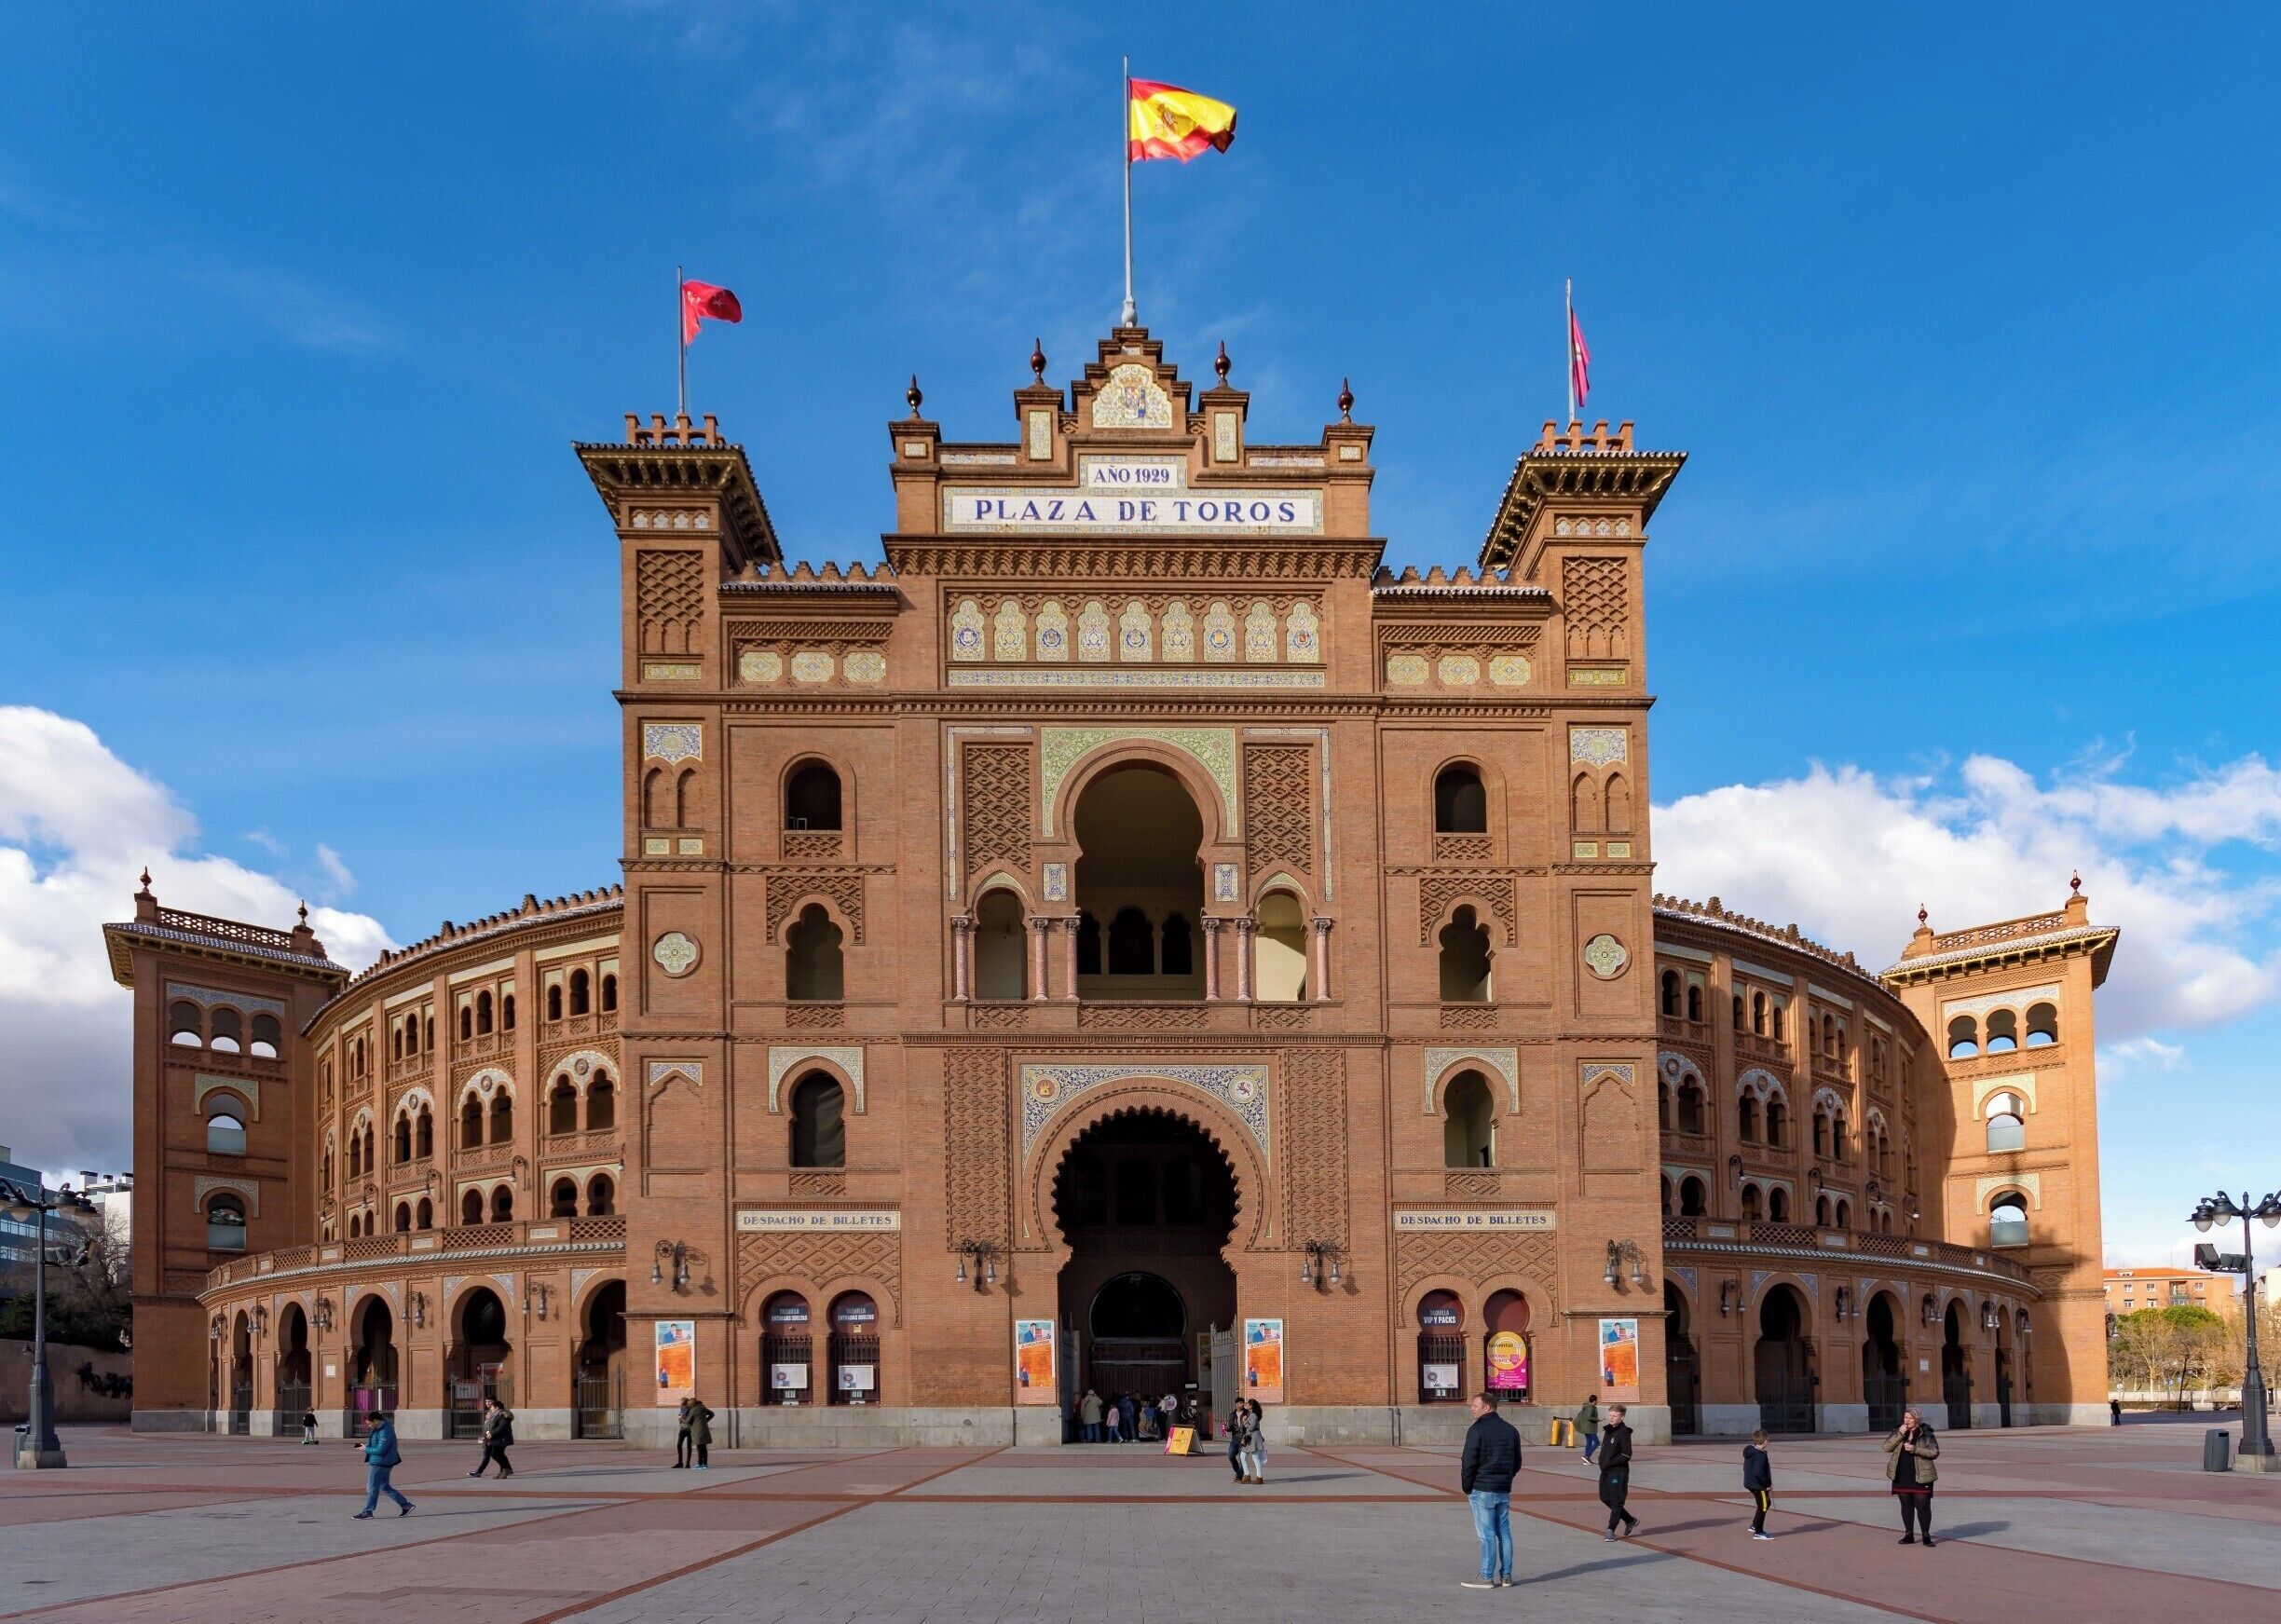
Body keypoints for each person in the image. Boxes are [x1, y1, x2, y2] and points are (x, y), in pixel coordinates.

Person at [1457, 1391, 1522, 1589]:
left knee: (1486, 1534)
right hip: (1503, 1487)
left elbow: (1468, 1461)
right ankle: (1507, 1575)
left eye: (1474, 1405)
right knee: (1504, 1533)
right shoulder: (1511, 1430)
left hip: (1483, 1488)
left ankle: (1486, 1576)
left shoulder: (1477, 1430)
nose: (1471, 1408)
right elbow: (1517, 1462)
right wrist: (1507, 1477)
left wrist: (1467, 1486)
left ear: (1486, 1407)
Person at [1884, 1408, 1939, 1546]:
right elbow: (1886, 1447)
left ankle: (1926, 1535)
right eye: (1905, 1418)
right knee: (1906, 1506)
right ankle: (1909, 1534)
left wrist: (1914, 1449)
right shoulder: (1899, 1431)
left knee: (1923, 1506)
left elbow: (1934, 1452)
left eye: (1910, 1418)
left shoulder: (1926, 1433)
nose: (1907, 1420)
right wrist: (1899, 1434)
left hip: (1921, 1475)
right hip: (1901, 1474)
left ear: (1917, 1419)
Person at [351, 1412, 414, 1519]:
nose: (369, 1426)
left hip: (380, 1462)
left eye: (370, 1424)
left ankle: (368, 1512)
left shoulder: (385, 1431)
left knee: (371, 1487)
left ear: (376, 1421)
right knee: (384, 1486)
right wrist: (365, 1446)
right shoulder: (379, 1428)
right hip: (384, 1461)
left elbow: (381, 1450)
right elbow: (376, 1444)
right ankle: (406, 1505)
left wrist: (366, 1449)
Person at [1597, 1402, 1638, 1540]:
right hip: (1606, 1471)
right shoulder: (1609, 1430)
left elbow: (1627, 1455)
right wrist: (1602, 1462)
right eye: (1610, 1415)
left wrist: (1609, 1463)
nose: (1611, 1418)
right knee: (1604, 1497)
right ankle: (1630, 1520)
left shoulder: (1624, 1433)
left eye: (1615, 1416)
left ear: (1622, 1417)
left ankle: (1610, 1530)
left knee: (1616, 1500)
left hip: (1617, 1472)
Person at [469, 1396, 515, 1478]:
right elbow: (488, 1426)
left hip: (501, 1438)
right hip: (493, 1439)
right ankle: (504, 1470)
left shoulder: (503, 1415)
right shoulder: (492, 1414)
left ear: (496, 1407)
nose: (491, 1408)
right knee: (496, 1454)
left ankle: (506, 1469)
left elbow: (502, 1427)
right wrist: (485, 1436)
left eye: (492, 1406)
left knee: (495, 1454)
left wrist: (491, 1434)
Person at [1743, 1427, 1773, 1539]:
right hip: (1758, 1484)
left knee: (1765, 1503)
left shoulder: (1751, 1451)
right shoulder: (1760, 1455)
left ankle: (1755, 1525)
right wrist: (1767, 1484)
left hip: (1750, 1482)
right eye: (1768, 1440)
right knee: (1763, 1506)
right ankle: (1758, 1532)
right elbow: (1758, 1472)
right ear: (1764, 1441)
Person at [1237, 1399, 1267, 1484]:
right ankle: (1247, 1476)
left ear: (1251, 1406)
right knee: (1243, 1456)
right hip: (1249, 1438)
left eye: (1248, 1404)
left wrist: (1244, 1421)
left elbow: (1251, 1427)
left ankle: (1259, 1477)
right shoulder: (1251, 1414)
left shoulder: (1253, 1415)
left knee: (1255, 1457)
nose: (1246, 1405)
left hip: (1254, 1438)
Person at [688, 1397, 716, 1468]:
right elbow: (712, 1414)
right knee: (704, 1448)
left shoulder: (693, 1410)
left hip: (697, 1431)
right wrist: (706, 1420)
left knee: (699, 1448)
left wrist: (681, 1418)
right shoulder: (702, 1407)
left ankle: (700, 1464)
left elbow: (688, 1421)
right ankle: (705, 1464)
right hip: (704, 1429)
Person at [1576, 1393, 1601, 1464]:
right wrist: (1596, 1419)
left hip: (1586, 1428)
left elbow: (1580, 1415)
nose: (1597, 1402)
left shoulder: (1586, 1406)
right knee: (1597, 1443)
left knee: (1589, 1443)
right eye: (1597, 1400)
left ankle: (1586, 1461)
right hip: (1590, 1428)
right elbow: (1589, 1417)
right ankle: (1587, 1456)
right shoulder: (1591, 1407)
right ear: (1594, 1401)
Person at [1224, 1399, 1245, 1481]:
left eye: (1243, 1403)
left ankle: (1239, 1476)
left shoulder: (1247, 1413)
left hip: (1244, 1440)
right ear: (1236, 1404)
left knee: (1242, 1458)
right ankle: (1239, 1474)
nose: (1242, 1404)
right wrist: (1227, 1428)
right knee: (1230, 1455)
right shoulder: (1232, 1415)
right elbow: (1231, 1427)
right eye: (1240, 1403)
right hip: (1235, 1440)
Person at [675, 1396, 697, 1467]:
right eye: (681, 1403)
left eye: (683, 1403)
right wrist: (681, 1417)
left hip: (689, 1429)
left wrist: (682, 1417)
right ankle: (680, 1462)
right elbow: (680, 1417)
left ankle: (688, 1463)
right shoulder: (682, 1408)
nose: (682, 1405)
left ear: (687, 1403)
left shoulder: (691, 1409)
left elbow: (688, 1418)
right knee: (679, 1445)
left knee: (689, 1446)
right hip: (682, 1429)